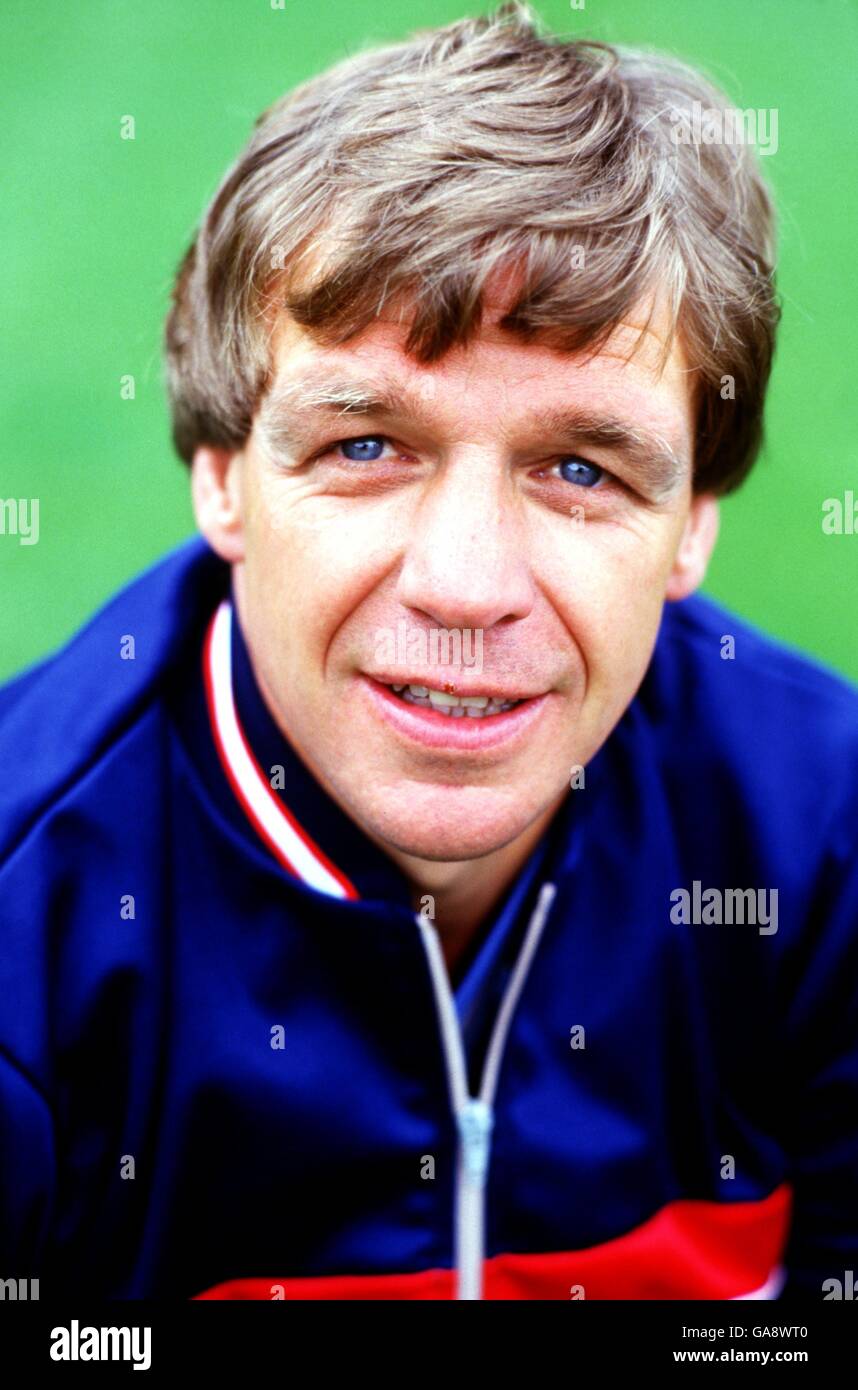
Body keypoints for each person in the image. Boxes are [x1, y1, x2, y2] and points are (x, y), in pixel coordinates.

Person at [1, 2, 856, 1300]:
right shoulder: (23, 927)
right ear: (223, 474)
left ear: (688, 526)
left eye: (579, 467)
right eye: (365, 446)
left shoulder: (826, 840)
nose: (465, 585)